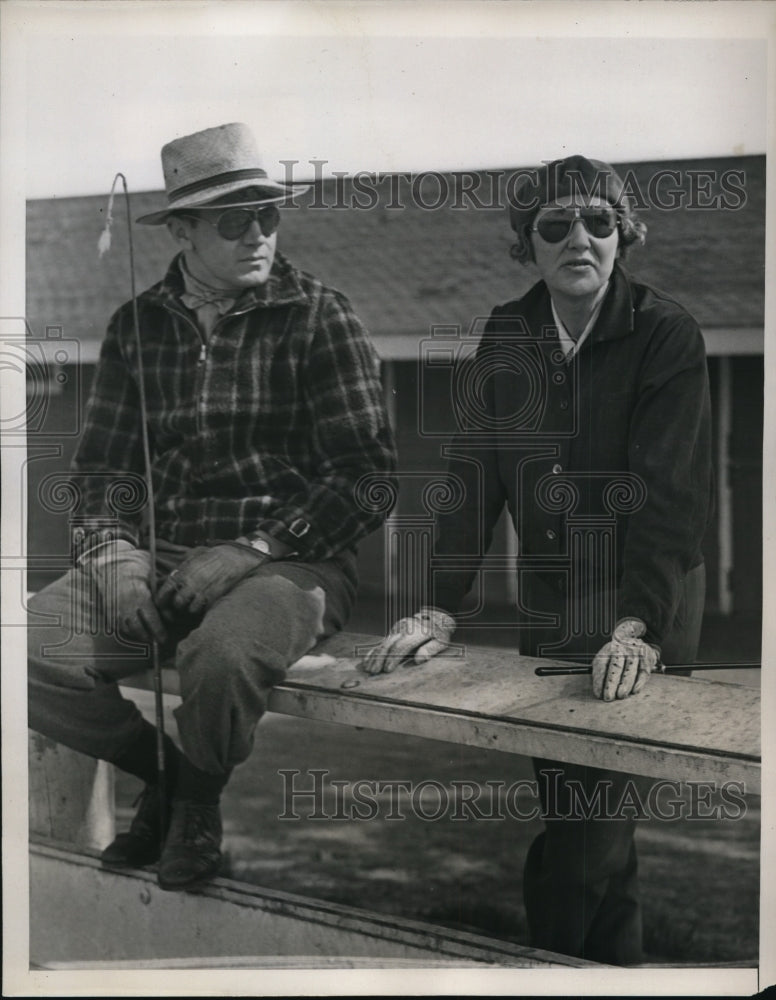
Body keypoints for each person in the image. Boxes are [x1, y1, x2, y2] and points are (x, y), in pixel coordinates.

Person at [362, 154, 713, 964]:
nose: (578, 238)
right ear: (529, 242)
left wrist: (636, 627)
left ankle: (542, 973)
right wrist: (438, 603)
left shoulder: (666, 333)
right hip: (553, 610)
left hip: (646, 606)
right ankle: (613, 972)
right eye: (554, 224)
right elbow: (474, 475)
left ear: (625, 235)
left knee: (585, 843)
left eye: (598, 221)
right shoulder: (508, 332)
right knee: (590, 829)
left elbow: (672, 500)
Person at [28, 122, 396, 892]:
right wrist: (119, 563)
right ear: (185, 231)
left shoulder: (323, 316)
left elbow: (366, 477)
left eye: (269, 215)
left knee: (223, 656)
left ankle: (195, 807)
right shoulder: (136, 327)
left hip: (290, 564)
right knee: (24, 646)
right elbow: (103, 472)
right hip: (159, 560)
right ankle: (166, 774)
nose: (259, 233)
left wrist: (252, 549)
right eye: (236, 220)